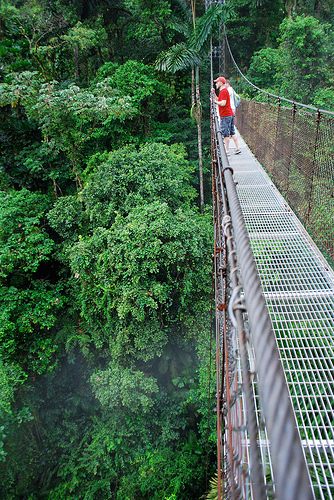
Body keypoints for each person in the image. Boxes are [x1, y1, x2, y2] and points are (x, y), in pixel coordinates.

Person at [213, 76, 241, 155]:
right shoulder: (223, 91)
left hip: (225, 115)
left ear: (221, 83)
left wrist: (215, 102)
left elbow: (223, 103)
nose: (216, 84)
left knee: (226, 133)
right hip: (229, 114)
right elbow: (220, 100)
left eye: (217, 82)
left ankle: (226, 151)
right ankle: (238, 148)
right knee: (232, 132)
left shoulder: (224, 91)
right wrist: (214, 94)